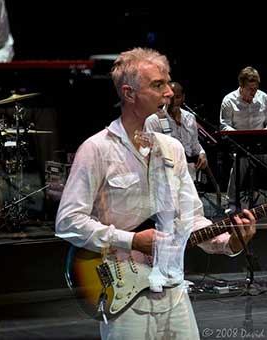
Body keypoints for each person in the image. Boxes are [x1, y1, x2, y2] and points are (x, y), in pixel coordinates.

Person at [55, 48, 256, 340]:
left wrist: (230, 241)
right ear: (129, 93)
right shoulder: (97, 149)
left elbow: (191, 220)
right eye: (157, 85)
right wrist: (132, 240)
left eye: (167, 83)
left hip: (174, 291)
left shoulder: (172, 149)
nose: (168, 94)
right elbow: (68, 222)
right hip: (125, 295)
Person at [219, 66, 267, 210]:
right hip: (241, 146)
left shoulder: (263, 97)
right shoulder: (229, 100)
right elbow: (224, 125)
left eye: (255, 88)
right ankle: (231, 202)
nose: (254, 92)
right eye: (250, 89)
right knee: (240, 161)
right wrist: (237, 135)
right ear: (241, 86)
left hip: (262, 143)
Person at [145, 81, 207, 181]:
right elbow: (149, 152)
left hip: (189, 176)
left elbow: (194, 144)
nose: (173, 101)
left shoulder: (190, 118)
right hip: (164, 178)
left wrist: (202, 154)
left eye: (177, 97)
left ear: (183, 97)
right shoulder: (154, 120)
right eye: (170, 97)